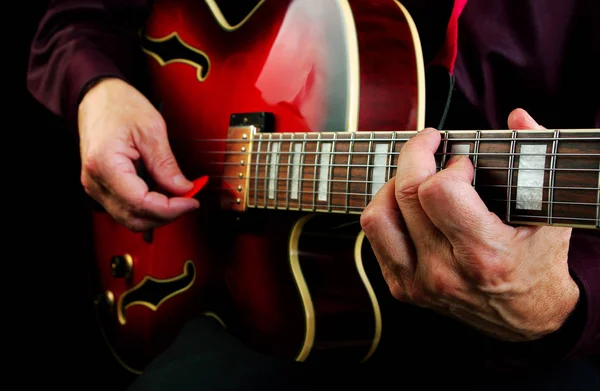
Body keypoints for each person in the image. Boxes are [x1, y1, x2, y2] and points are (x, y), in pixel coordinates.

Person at [27, 0, 599, 389]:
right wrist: (97, 90)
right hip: (269, 303)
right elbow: (80, 14)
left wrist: (557, 309)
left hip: (516, 351)